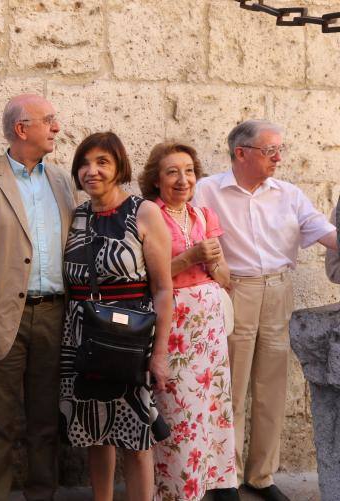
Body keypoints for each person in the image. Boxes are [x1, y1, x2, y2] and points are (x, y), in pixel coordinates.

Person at [192, 119, 337, 501]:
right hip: (233, 290)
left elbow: (323, 231)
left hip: (278, 291)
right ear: (241, 153)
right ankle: (226, 478)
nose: (278, 158)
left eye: (279, 150)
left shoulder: (288, 193)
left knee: (272, 388)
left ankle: (261, 477)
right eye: (269, 150)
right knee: (230, 387)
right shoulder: (207, 191)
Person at [0, 93, 74, 500]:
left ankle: (42, 494)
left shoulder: (60, 181)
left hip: (54, 316)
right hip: (3, 319)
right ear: (23, 129)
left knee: (45, 420)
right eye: (49, 120)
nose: (56, 127)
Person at [59, 132, 173, 501]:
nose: (92, 171)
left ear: (119, 166)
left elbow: (163, 288)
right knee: (95, 430)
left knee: (136, 434)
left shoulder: (144, 212)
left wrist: (158, 354)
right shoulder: (76, 216)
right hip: (81, 336)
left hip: (129, 338)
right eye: (85, 163)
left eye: (102, 162)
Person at [138, 142, 239, 501]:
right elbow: (147, 279)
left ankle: (211, 483)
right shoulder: (150, 215)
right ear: (156, 179)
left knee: (210, 407)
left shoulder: (203, 215)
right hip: (175, 325)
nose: (183, 180)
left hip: (208, 328)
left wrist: (215, 266)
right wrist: (190, 257)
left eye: (189, 171)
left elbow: (225, 275)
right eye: (172, 172)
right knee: (178, 410)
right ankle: (177, 491)